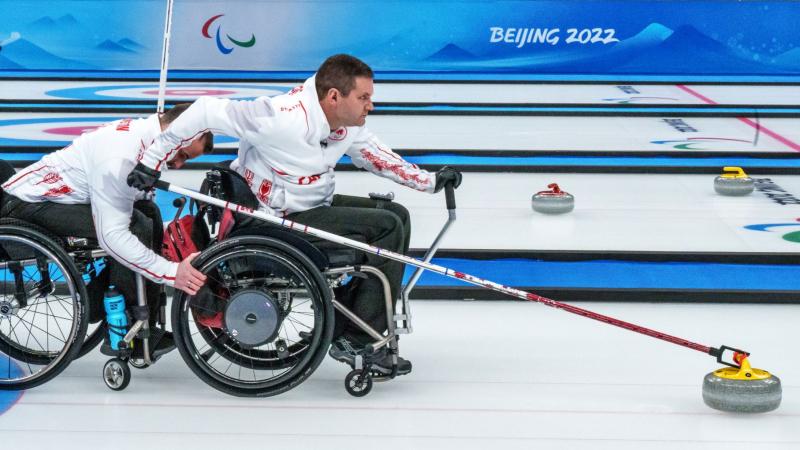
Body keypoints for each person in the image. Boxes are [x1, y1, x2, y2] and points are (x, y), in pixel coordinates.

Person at [128, 54, 462, 374]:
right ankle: (362, 340)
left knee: (396, 214)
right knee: (386, 227)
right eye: (363, 97)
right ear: (334, 96)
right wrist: (151, 159)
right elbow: (204, 110)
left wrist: (430, 182)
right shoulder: (279, 117)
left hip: (307, 206)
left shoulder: (346, 124)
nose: (370, 105)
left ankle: (352, 321)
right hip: (270, 218)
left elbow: (375, 156)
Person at [1, 104, 210, 355]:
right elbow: (113, 236)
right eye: (184, 155)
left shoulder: (144, 136)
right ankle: (122, 331)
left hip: (52, 199)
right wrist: (171, 272)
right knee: (132, 227)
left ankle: (141, 318)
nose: (178, 165)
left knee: (150, 213)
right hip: (25, 207)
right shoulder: (120, 155)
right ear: (175, 134)